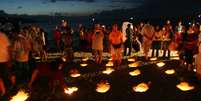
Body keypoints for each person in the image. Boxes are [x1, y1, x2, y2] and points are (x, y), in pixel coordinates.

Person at [0, 31, 12, 96]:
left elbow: (9, 47)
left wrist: (9, 59)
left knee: (6, 76)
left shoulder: (3, 35)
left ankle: (8, 90)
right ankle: (4, 91)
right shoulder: (3, 35)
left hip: (4, 59)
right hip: (3, 59)